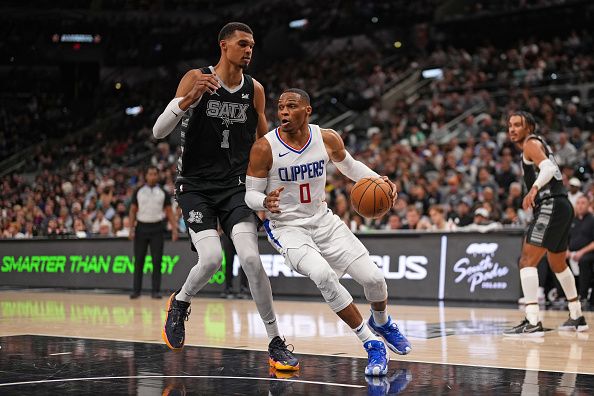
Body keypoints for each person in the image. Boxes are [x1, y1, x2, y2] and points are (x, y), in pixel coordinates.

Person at [152, 22, 299, 370]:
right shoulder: (196, 77)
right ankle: (181, 302)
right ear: (224, 46)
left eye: (252, 45)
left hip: (235, 186)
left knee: (250, 259)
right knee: (211, 260)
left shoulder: (255, 90)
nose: (249, 50)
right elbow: (159, 132)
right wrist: (188, 100)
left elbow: (266, 145)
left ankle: (276, 342)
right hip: (196, 186)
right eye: (243, 44)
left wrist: (277, 184)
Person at [245, 88, 411, 377]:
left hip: (323, 220)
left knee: (374, 279)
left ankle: (381, 322)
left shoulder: (327, 137)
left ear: (307, 111)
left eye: (291, 106)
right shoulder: (264, 147)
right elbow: (249, 194)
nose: (283, 112)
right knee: (323, 275)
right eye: (280, 107)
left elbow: (349, 166)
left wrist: (378, 180)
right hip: (287, 227)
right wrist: (264, 201)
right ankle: (371, 343)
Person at [503, 111, 588, 336]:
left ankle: (532, 320)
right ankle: (577, 315)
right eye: (509, 125)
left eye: (517, 125)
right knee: (558, 263)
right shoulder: (535, 144)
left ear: (528, 128)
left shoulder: (530, 143)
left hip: (550, 204)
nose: (511, 129)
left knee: (526, 261)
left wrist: (534, 188)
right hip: (562, 206)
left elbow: (549, 169)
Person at [129, 166, 179, 299]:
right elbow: (133, 210)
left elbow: (169, 211)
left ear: (157, 176)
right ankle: (136, 291)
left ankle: (155, 291)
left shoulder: (163, 192)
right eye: (150, 174)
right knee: (139, 260)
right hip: (141, 228)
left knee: (157, 261)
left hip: (157, 228)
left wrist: (174, 229)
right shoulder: (138, 191)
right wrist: (130, 228)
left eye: (154, 174)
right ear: (146, 176)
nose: (152, 176)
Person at [568, 196, 594, 306]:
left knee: (584, 260)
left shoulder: (592, 220)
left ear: (588, 205)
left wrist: (581, 252)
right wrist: (567, 251)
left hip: (587, 252)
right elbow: (565, 239)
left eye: (583, 203)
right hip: (570, 253)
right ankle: (563, 295)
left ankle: (583, 295)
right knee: (556, 260)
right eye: (578, 203)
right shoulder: (571, 220)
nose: (580, 205)